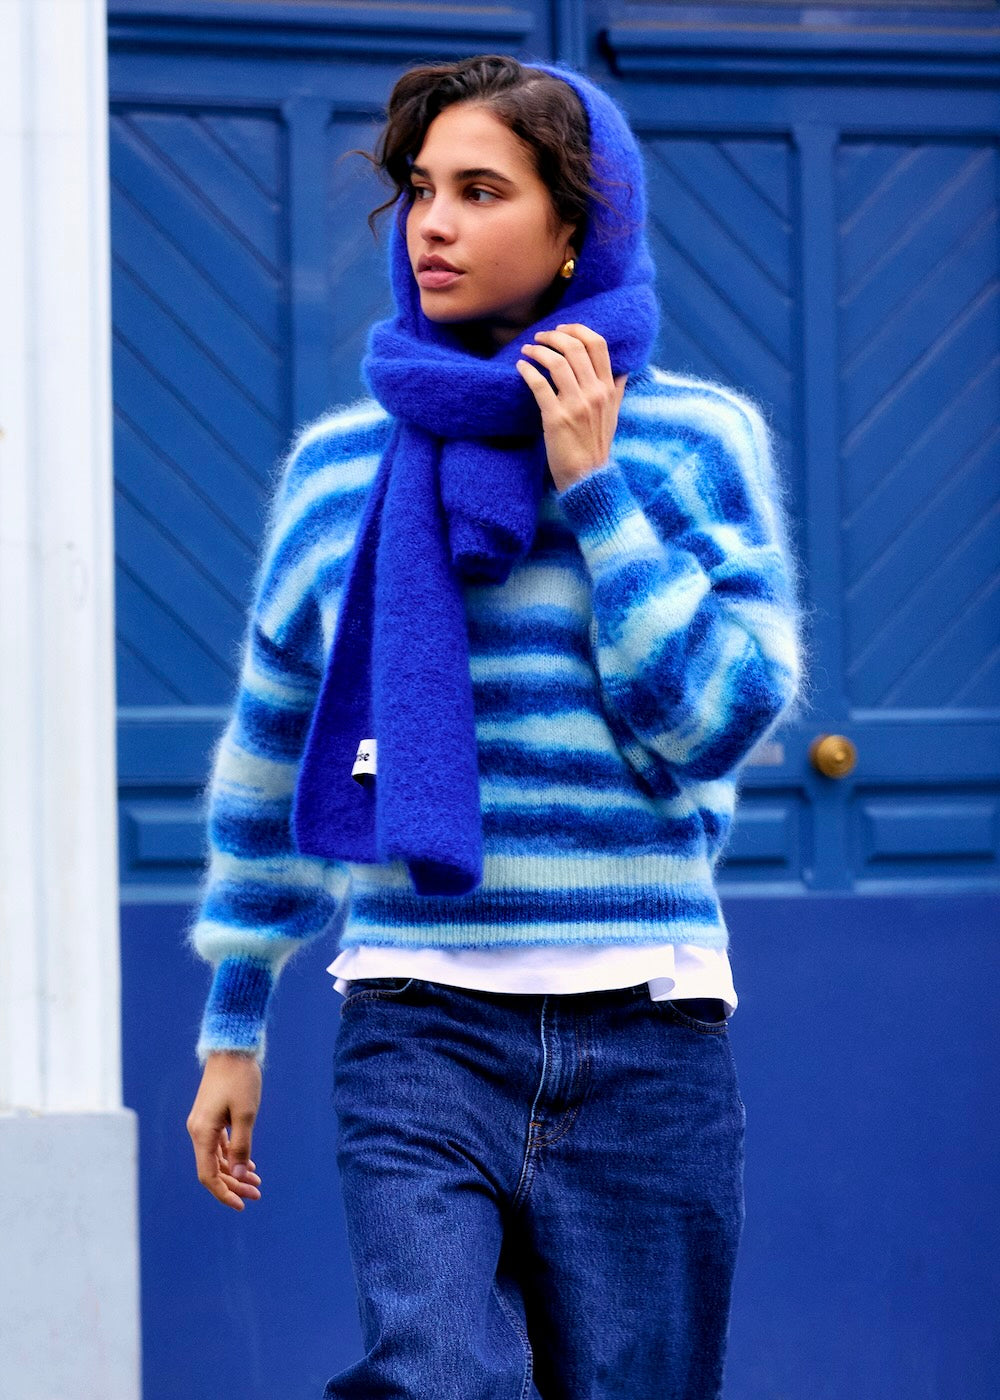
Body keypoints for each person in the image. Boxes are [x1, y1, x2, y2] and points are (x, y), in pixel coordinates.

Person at [185, 53, 807, 1400]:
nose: (434, 225)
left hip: (646, 1035)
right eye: (421, 191)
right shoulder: (339, 470)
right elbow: (271, 756)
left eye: (480, 191)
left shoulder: (695, 445)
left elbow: (718, 721)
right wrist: (236, 1019)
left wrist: (594, 492)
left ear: (578, 226)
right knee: (435, 1377)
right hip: (419, 1022)